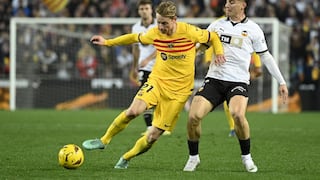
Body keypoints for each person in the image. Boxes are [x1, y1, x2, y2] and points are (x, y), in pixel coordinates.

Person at [82, 0, 225, 169]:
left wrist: (220, 53)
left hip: (179, 93)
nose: (161, 27)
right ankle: (104, 140)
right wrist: (107, 42)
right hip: (157, 82)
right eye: (158, 22)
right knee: (133, 111)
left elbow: (213, 37)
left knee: (152, 136)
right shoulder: (155, 33)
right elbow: (134, 38)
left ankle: (126, 157)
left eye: (164, 23)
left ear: (174, 20)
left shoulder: (189, 31)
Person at [183, 0, 288, 173]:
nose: (227, 5)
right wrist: (191, 52)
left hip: (238, 81)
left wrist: (282, 81)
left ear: (243, 5)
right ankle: (193, 157)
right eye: (226, 2)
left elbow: (266, 57)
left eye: (231, 2)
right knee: (193, 117)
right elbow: (203, 45)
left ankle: (246, 158)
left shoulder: (254, 29)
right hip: (214, 79)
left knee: (237, 115)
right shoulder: (216, 25)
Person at [129, 0, 170, 135]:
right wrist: (134, 67)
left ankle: (160, 125)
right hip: (144, 68)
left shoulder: (159, 26)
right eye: (141, 9)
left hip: (160, 65)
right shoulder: (136, 28)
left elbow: (163, 46)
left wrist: (148, 59)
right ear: (138, 11)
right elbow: (135, 48)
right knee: (145, 94)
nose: (144, 11)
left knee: (161, 96)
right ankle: (149, 127)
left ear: (151, 10)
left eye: (146, 8)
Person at [224, 52, 262, 137]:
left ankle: (238, 126)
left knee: (238, 105)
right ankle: (233, 128)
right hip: (228, 74)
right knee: (227, 103)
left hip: (242, 77)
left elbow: (255, 52)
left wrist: (257, 66)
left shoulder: (247, 42)